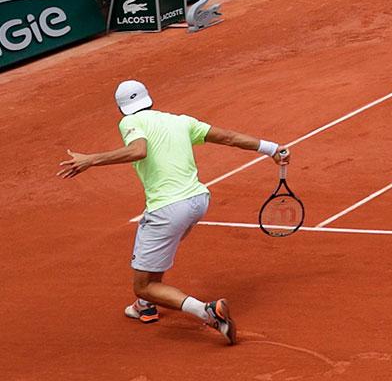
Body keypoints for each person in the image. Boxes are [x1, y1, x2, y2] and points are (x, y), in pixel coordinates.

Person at [57, 78, 290, 343]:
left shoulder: (129, 122)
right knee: (155, 257)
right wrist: (271, 148)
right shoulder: (182, 121)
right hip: (199, 201)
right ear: (150, 100)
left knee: (143, 285)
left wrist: (91, 160)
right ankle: (145, 307)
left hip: (168, 208)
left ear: (121, 109)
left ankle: (207, 312)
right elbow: (228, 137)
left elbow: (139, 150)